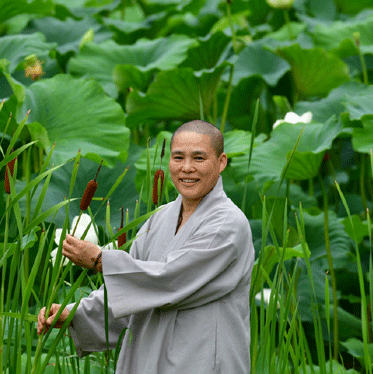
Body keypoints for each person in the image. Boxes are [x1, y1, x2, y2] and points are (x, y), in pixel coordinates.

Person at [37, 120, 255, 373]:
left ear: (221, 162)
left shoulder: (228, 223)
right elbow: (131, 293)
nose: (186, 168)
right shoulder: (159, 218)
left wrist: (100, 260)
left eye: (198, 158)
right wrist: (76, 315)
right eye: (178, 157)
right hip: (147, 359)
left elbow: (169, 280)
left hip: (202, 359)